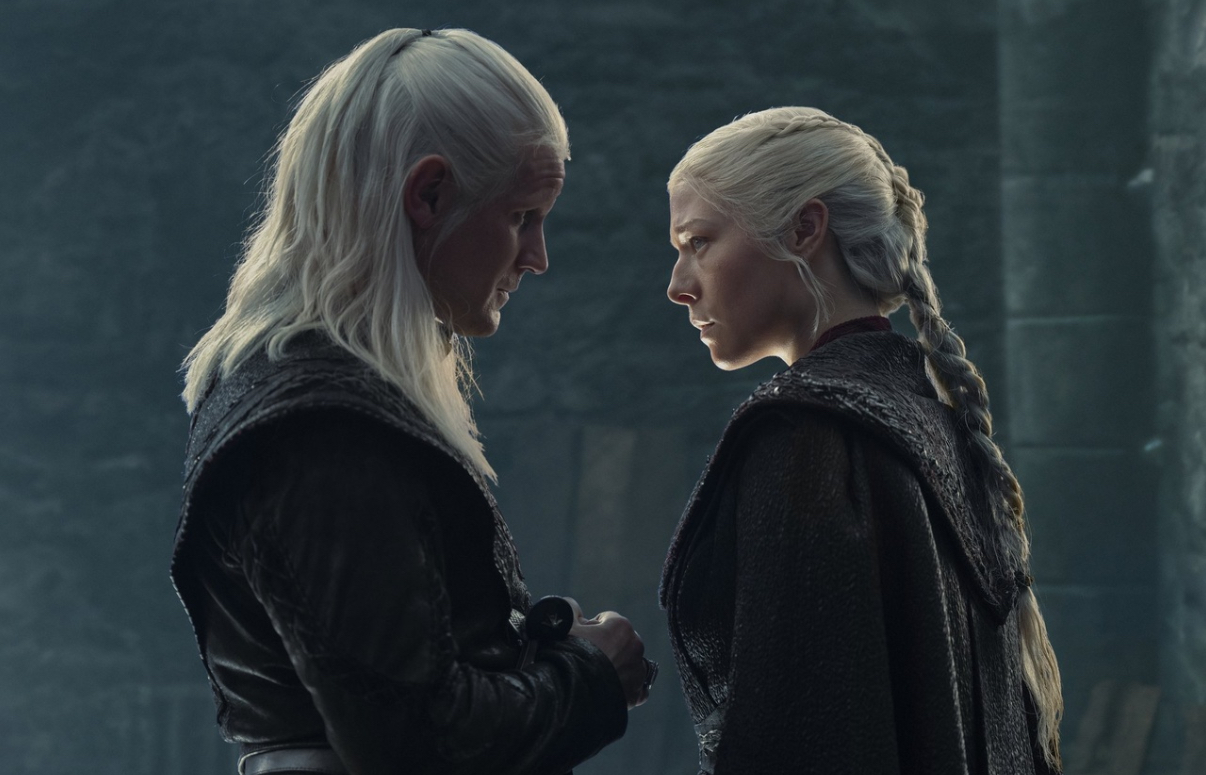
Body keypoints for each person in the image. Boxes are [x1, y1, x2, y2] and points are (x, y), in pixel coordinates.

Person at [170, 27, 653, 775]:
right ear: (428, 195)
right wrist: (591, 677)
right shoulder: (323, 430)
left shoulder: (314, 400)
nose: (537, 257)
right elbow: (417, 741)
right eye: (522, 216)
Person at [659, 107, 1064, 774]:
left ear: (805, 228)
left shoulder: (809, 437)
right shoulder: (929, 415)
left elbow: (800, 742)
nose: (678, 286)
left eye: (699, 241)